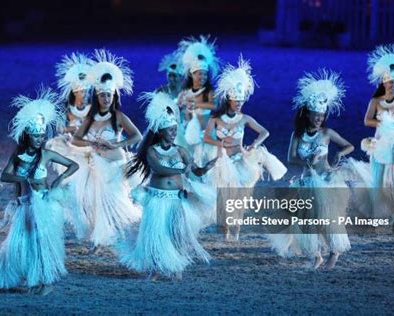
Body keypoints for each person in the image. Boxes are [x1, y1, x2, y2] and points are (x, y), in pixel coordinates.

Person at [0, 88, 79, 296]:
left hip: (44, 203)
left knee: (43, 241)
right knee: (25, 240)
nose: (39, 139)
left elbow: (72, 165)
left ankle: (47, 281)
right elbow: (5, 176)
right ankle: (33, 279)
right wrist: (23, 179)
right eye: (35, 136)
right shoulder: (18, 155)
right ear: (28, 135)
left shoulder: (46, 154)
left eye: (41, 136)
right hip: (25, 203)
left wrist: (60, 179)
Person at [120, 92, 216, 281]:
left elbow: (195, 171)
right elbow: (160, 169)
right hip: (157, 199)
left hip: (176, 200)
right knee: (156, 235)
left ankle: (177, 268)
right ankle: (155, 270)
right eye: (170, 130)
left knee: (176, 233)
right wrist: (183, 168)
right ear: (161, 131)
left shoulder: (181, 151)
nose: (173, 133)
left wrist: (205, 168)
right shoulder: (151, 151)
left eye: (175, 129)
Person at [268, 69, 353, 270]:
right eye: (316, 115)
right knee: (305, 221)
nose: (319, 119)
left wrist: (339, 155)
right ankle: (316, 256)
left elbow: (349, 146)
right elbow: (291, 158)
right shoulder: (297, 134)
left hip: (325, 180)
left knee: (326, 219)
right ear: (308, 114)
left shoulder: (327, 132)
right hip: (306, 180)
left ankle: (334, 252)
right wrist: (306, 160)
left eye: (322, 116)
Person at [204, 56, 287, 240]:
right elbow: (207, 137)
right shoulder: (215, 119)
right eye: (236, 100)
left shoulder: (245, 119)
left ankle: (235, 230)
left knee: (238, 199)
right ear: (228, 100)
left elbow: (264, 132)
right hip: (223, 162)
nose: (240, 103)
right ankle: (224, 228)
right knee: (222, 197)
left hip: (241, 162)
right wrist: (220, 144)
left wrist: (254, 144)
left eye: (241, 101)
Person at [71, 49, 142, 248]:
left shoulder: (119, 117)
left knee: (117, 203)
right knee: (96, 203)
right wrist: (91, 144)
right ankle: (100, 237)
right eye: (102, 95)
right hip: (96, 168)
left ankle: (121, 236)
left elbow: (137, 135)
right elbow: (75, 140)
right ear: (97, 97)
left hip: (115, 167)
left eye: (109, 96)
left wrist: (119, 143)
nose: (106, 99)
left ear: (114, 96)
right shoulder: (90, 118)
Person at [361, 44, 394, 234]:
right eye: (391, 82)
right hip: (381, 146)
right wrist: (384, 124)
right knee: (378, 184)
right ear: (384, 83)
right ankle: (375, 220)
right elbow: (367, 120)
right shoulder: (375, 102)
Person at [46, 52, 95, 238]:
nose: (82, 93)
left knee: (89, 190)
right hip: (72, 148)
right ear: (73, 91)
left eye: (84, 90)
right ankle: (80, 221)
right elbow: (62, 127)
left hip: (87, 148)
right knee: (75, 188)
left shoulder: (91, 109)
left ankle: (91, 221)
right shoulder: (68, 109)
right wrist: (70, 129)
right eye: (79, 91)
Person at [176, 35, 219, 166]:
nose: (203, 76)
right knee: (189, 160)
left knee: (205, 161)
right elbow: (179, 106)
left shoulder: (208, 91)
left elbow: (214, 105)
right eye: (200, 73)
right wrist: (180, 104)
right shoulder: (185, 92)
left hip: (205, 132)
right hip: (189, 130)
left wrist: (196, 104)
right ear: (192, 74)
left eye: (205, 74)